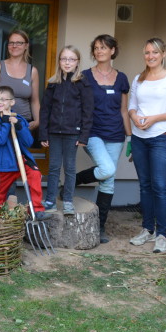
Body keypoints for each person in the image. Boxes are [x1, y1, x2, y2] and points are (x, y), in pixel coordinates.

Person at [127, 38, 166, 253]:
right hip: (139, 137)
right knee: (144, 185)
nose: (150, 56)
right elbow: (132, 106)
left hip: (161, 136)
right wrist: (135, 117)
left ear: (164, 54)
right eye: (147, 52)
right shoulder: (138, 79)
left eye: (155, 52)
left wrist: (155, 118)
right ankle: (147, 229)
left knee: (160, 187)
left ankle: (161, 233)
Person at [72, 34, 131, 243]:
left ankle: (100, 228)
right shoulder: (85, 76)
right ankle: (75, 180)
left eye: (104, 47)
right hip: (93, 133)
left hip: (116, 135)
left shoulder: (122, 78)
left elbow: (124, 110)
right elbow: (78, 106)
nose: (99, 51)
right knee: (107, 170)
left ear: (112, 51)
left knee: (108, 182)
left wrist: (130, 137)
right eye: (96, 48)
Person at [0, 30, 41, 207]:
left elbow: (35, 100)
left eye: (19, 43)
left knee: (12, 174)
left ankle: (8, 219)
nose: (14, 46)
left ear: (26, 45)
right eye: (11, 43)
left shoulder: (32, 71)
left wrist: (37, 121)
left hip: (19, 127)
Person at [39, 45, 94, 216]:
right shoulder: (53, 83)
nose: (67, 62)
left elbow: (88, 111)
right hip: (54, 132)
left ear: (77, 62)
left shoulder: (82, 83)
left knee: (69, 168)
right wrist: (43, 133)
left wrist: (84, 135)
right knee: (54, 167)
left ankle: (68, 201)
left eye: (71, 59)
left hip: (73, 133)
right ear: (59, 62)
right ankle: (50, 200)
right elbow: (45, 110)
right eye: (64, 59)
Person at [0, 86, 50, 219]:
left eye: (4, 99)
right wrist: (5, 123)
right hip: (4, 163)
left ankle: (36, 210)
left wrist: (19, 126)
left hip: (21, 159)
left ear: (12, 102)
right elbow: (0, 140)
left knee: (35, 174)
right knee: (0, 193)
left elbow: (28, 142)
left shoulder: (19, 119)